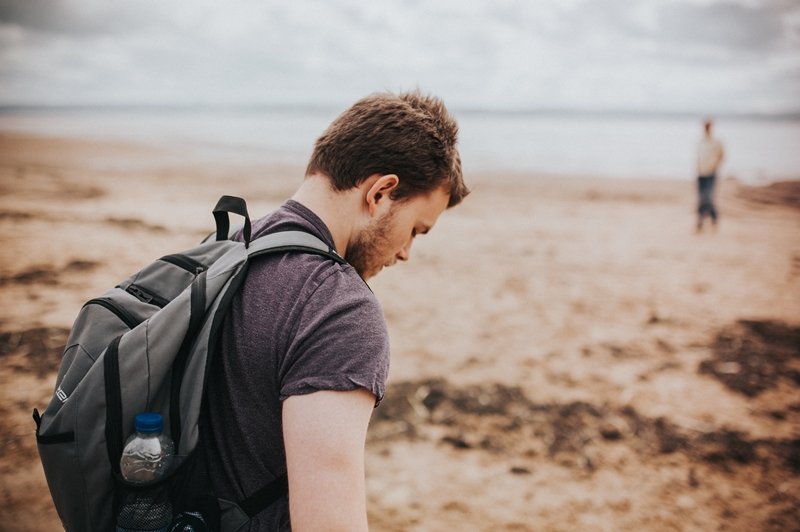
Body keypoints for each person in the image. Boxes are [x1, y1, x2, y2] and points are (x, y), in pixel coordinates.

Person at [200, 91, 469, 531]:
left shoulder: (230, 251)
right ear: (381, 192)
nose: (406, 253)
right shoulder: (339, 310)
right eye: (416, 230)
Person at [696, 119, 724, 231]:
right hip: (701, 173)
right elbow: (698, 157)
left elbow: (722, 155)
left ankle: (708, 219)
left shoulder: (716, 142)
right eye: (705, 127)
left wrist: (714, 166)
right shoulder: (701, 141)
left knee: (708, 197)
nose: (706, 129)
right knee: (701, 198)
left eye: (708, 127)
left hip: (711, 173)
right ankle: (703, 220)